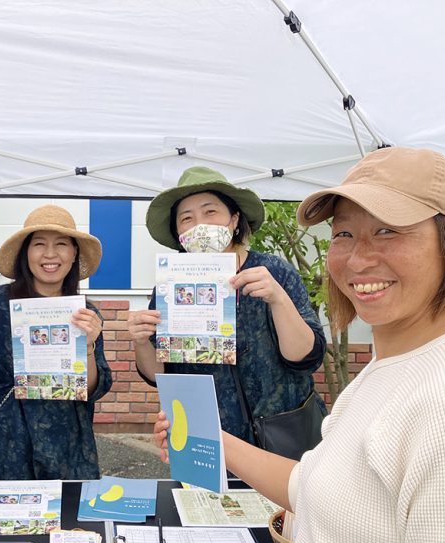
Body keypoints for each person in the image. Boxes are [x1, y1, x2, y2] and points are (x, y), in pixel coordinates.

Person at [155, 147, 445, 543]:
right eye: (343, 233)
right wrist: (208, 437)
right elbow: (311, 485)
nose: (358, 258)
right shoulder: (384, 373)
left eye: (388, 231)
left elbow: (305, 355)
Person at [128, 166, 326, 446]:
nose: (199, 225)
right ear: (178, 232)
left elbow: (306, 358)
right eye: (186, 218)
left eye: (210, 212)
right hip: (206, 436)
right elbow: (159, 375)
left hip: (284, 433)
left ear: (234, 219)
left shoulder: (273, 272)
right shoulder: (169, 287)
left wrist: (278, 299)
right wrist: (141, 341)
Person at [0, 205, 112, 479]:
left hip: (68, 451)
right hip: (6, 449)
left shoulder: (85, 314)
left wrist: (87, 347)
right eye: (39, 244)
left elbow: (94, 388)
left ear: (74, 253)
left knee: (67, 509)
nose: (50, 254)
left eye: (61, 244)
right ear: (26, 253)